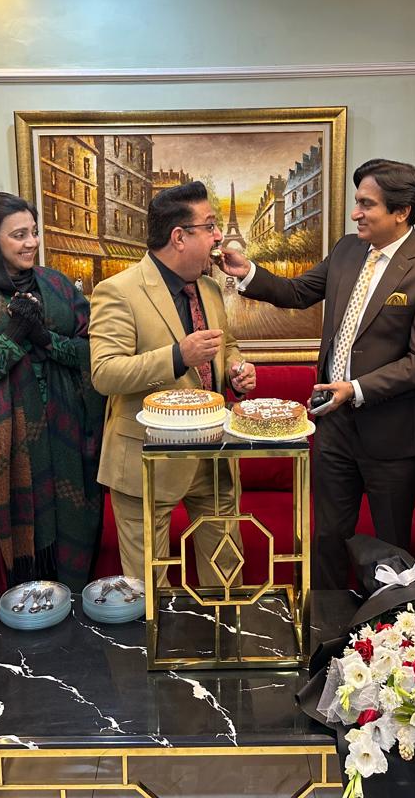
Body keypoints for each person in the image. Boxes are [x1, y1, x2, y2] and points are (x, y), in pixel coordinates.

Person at [218, 159, 415, 588]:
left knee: (391, 551)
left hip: (393, 435)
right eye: (356, 202)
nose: (355, 213)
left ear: (402, 211)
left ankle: (388, 627)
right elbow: (297, 292)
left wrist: (356, 388)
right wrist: (248, 272)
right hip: (333, 426)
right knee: (327, 538)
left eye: (367, 204)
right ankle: (325, 621)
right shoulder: (348, 250)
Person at [0, 192, 104, 606]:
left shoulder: (58, 286)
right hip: (10, 452)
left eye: (33, 232)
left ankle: (74, 625)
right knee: (25, 554)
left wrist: (46, 339)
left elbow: (95, 353)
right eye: (18, 235)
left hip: (71, 440)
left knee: (76, 534)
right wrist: (12, 339)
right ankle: (29, 631)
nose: (31, 242)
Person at [89, 181, 257, 583]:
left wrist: (237, 368)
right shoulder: (117, 291)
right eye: (210, 226)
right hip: (147, 458)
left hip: (214, 455)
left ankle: (224, 626)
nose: (218, 236)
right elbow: (105, 373)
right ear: (179, 237)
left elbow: (227, 345)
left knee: (227, 578)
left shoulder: (210, 288)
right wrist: (178, 356)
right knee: (149, 590)